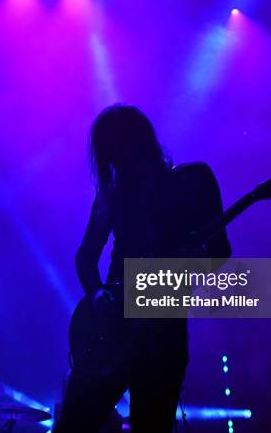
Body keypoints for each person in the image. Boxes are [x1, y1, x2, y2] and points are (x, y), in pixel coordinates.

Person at [54, 104, 231, 432]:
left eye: (119, 153)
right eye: (111, 157)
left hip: (163, 328)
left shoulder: (194, 181)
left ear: (140, 145)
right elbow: (85, 257)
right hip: (112, 326)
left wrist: (193, 262)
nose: (116, 164)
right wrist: (98, 296)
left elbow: (220, 252)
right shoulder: (112, 193)